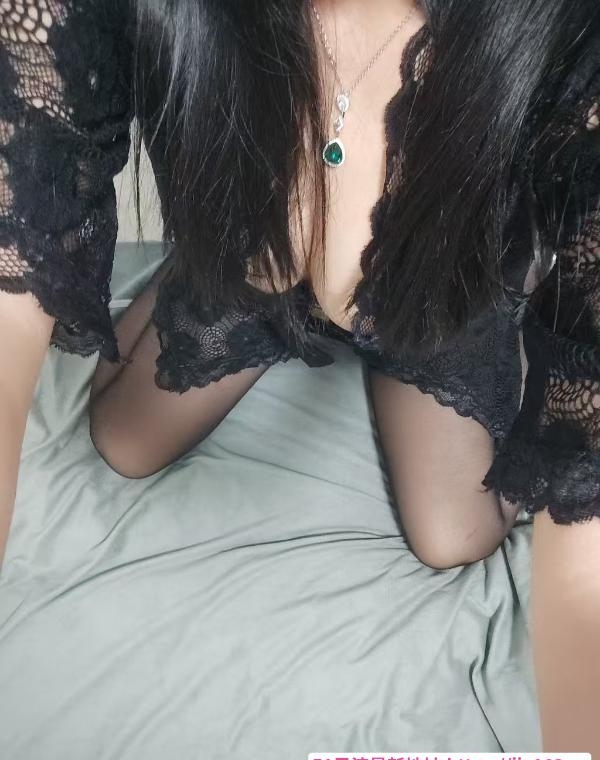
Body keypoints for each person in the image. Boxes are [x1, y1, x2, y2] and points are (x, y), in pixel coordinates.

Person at [0, 0, 599, 750]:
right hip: (260, 260)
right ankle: (225, 272)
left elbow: (587, 533)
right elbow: (14, 261)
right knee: (123, 439)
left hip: (435, 303)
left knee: (454, 536)